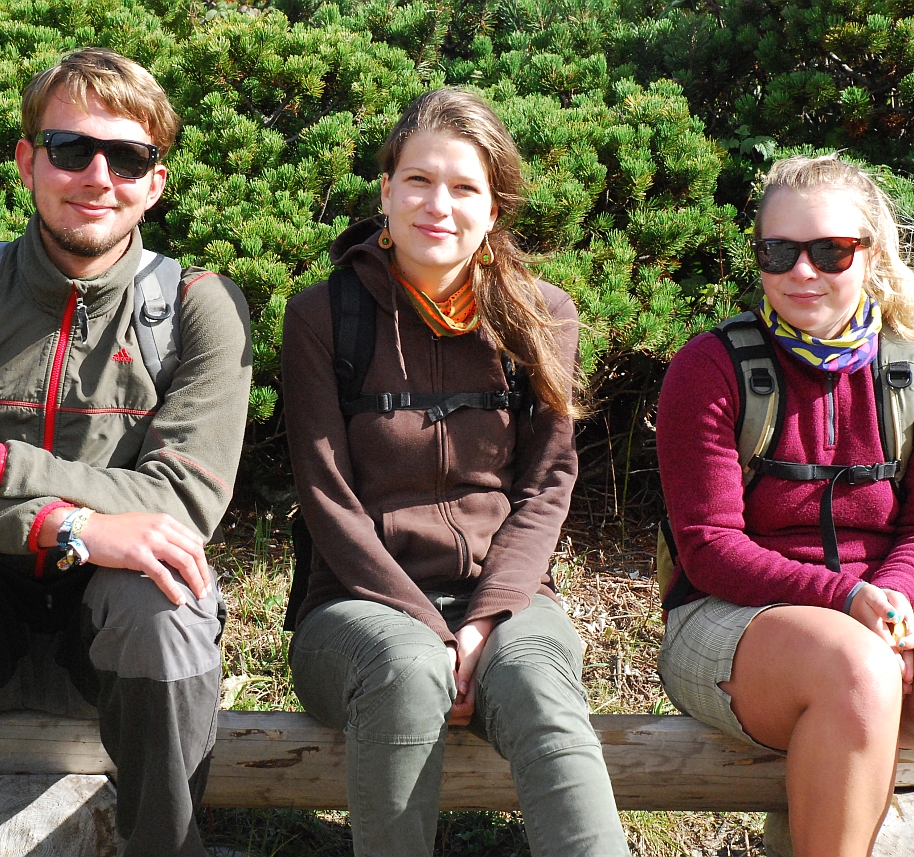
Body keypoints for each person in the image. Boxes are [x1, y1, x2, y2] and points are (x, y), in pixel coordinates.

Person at [0, 48, 252, 857]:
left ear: (154, 184)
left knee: (168, 588)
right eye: (71, 149)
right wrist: (74, 525)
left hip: (111, 645)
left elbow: (182, 504)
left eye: (127, 158)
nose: (98, 176)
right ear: (28, 161)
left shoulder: (198, 308)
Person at [281, 87, 629, 857]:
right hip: (355, 607)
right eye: (419, 180)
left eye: (465, 187)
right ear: (386, 192)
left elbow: (547, 483)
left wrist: (485, 619)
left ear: (493, 208)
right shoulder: (322, 315)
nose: (438, 205)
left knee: (538, 679)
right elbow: (327, 498)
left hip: (506, 597)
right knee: (407, 668)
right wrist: (433, 633)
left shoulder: (542, 314)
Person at [656, 154, 914, 857]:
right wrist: (847, 601)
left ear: (872, 254)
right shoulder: (709, 367)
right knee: (857, 671)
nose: (803, 271)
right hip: (728, 615)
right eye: (779, 251)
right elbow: (709, 546)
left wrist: (887, 604)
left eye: (830, 251)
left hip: (888, 598)